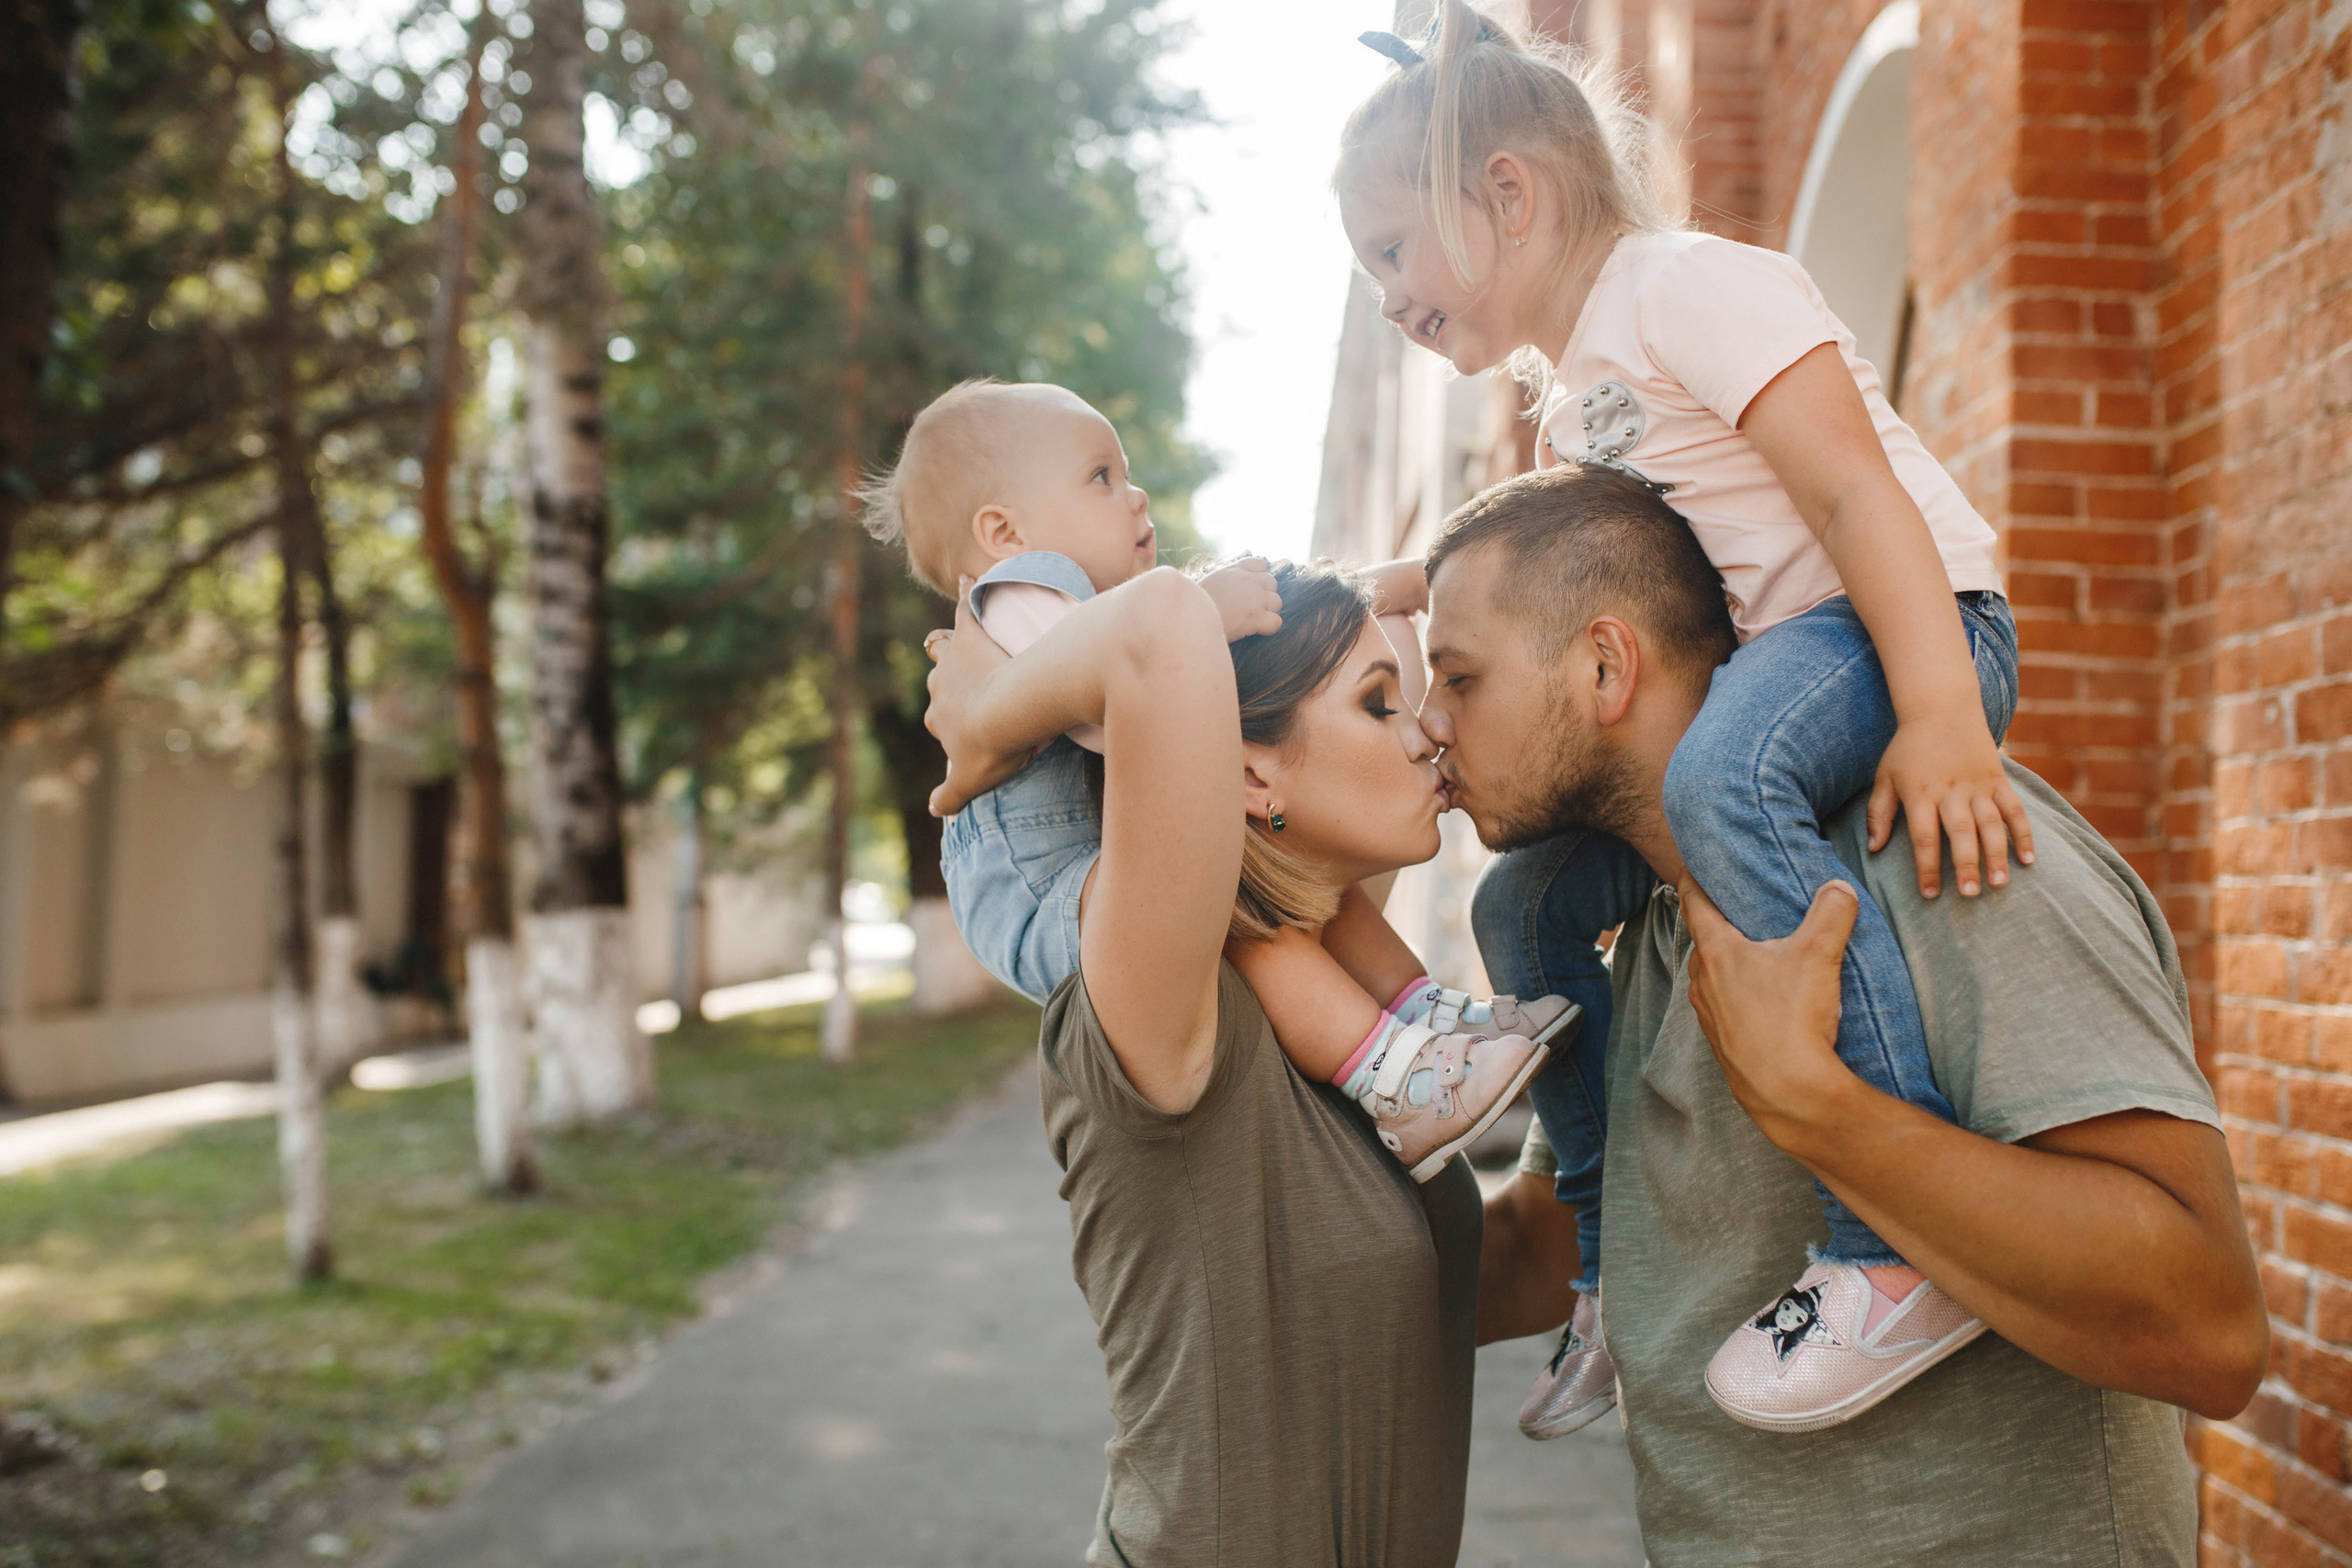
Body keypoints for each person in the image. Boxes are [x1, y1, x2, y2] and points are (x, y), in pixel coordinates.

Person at [1337, 0, 2033, 1431]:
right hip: (1789, 668)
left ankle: (1893, 1244)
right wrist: (1388, 584)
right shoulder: (1578, 389)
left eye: (1392, 251)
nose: (1384, 297)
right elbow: (1576, 569)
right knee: (1524, 908)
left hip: (1906, 627)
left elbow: (1852, 492)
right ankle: (1601, 1268)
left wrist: (1943, 710)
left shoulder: (1686, 286)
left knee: (1721, 777)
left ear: (1508, 194)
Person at [1432, 464, 2267, 1564]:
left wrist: (1821, 1110)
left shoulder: (1940, 857)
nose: (1428, 728)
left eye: (1458, 679)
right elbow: (1541, 1252)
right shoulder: (1630, 930)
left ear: (1603, 665)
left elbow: (2209, 1332)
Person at [862, 378, 1569, 1182]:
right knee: (1242, 913)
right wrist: (1202, 608)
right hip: (1040, 889)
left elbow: (1210, 663)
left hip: (1076, 865)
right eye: (1100, 477)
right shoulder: (1020, 591)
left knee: (1296, 892)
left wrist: (1386, 585)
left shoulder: (1081, 605)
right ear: (1003, 530)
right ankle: (1395, 1078)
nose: (1135, 497)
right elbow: (1120, 703)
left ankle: (1425, 1018)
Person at [921, 556, 1481, 1565]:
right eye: (1375, 700)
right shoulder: (1160, 1004)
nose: (1425, 730)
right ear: (1251, 771)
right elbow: (1159, 627)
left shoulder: (1348, 1021)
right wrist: (991, 712)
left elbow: (1471, 1293)